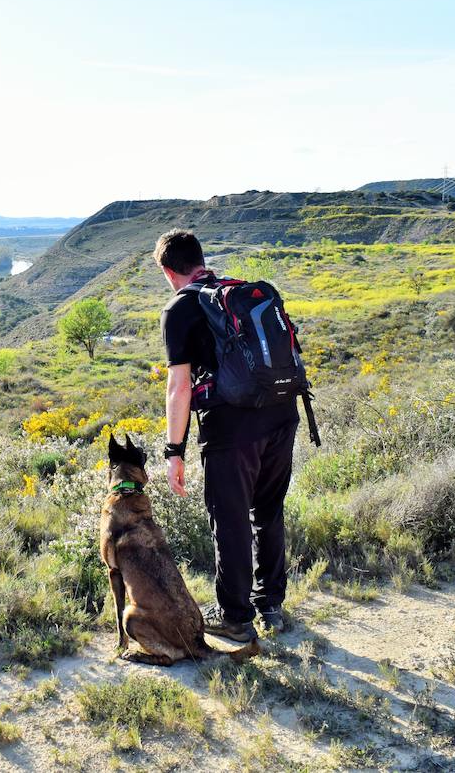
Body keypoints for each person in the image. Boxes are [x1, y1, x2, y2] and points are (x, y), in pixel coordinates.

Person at [155, 229, 299, 642]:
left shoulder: (179, 309)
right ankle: (271, 605)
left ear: (168, 271)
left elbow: (179, 388)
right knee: (268, 511)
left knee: (230, 520)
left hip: (232, 429)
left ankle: (236, 618)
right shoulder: (236, 293)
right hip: (282, 414)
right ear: (201, 260)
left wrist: (174, 451)